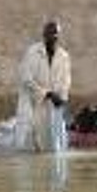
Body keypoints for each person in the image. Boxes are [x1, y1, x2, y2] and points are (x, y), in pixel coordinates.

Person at [14, 21, 71, 152]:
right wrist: (47, 93)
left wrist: (62, 97)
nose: (53, 36)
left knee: (52, 141)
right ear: (44, 35)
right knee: (30, 138)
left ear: (59, 36)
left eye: (56, 33)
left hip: (53, 103)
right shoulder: (32, 52)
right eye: (50, 33)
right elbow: (26, 79)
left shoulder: (63, 56)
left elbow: (66, 80)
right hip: (32, 101)